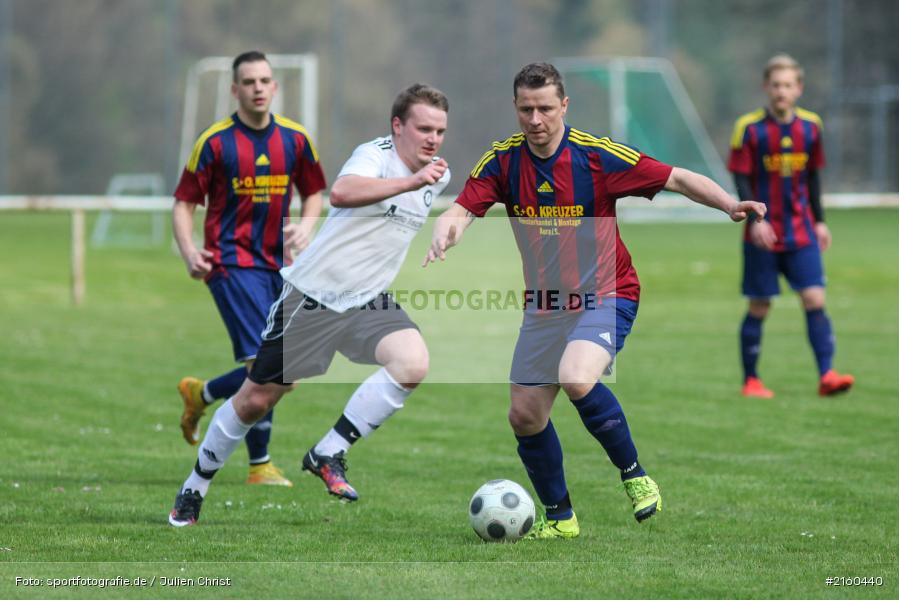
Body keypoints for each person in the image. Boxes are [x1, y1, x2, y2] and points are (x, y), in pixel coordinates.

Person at [424, 63, 766, 539]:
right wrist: (448, 231)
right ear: (516, 108)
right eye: (526, 109)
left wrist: (730, 204)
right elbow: (461, 208)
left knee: (576, 376)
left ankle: (635, 476)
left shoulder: (597, 156)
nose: (536, 119)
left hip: (607, 293)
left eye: (545, 108)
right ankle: (560, 519)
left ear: (564, 106)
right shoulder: (504, 161)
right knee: (524, 414)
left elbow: (677, 178)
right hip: (545, 305)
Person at [168, 83, 451, 526]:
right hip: (314, 298)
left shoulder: (438, 174)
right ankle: (195, 485)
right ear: (398, 126)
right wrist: (411, 180)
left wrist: (446, 229)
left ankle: (329, 451)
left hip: (367, 299)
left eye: (440, 130)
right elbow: (341, 192)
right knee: (255, 400)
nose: (432, 139)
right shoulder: (375, 155)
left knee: (413, 363)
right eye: (423, 128)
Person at [172, 50, 325, 488]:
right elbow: (184, 202)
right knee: (268, 364)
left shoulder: (295, 140)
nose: (258, 88)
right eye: (249, 82)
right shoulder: (216, 142)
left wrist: (307, 228)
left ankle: (200, 393)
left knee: (287, 369)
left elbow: (315, 191)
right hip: (230, 262)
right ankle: (260, 466)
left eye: (264, 80)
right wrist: (189, 252)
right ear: (234, 89)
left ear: (274, 87)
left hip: (281, 266)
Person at [729, 54, 854, 399]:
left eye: (788, 85)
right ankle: (751, 380)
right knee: (760, 307)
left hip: (801, 231)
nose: (781, 91)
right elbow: (740, 177)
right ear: (765, 88)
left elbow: (812, 177)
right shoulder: (749, 128)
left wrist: (821, 222)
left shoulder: (811, 126)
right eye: (775, 85)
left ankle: (827, 374)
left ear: (799, 88)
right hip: (763, 234)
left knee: (814, 298)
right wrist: (755, 221)